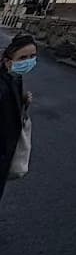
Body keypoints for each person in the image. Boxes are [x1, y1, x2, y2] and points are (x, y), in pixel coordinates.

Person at [1, 33, 37, 203]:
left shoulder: (14, 77)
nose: (28, 61)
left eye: (32, 56)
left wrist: (21, 101)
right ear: (8, 61)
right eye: (23, 57)